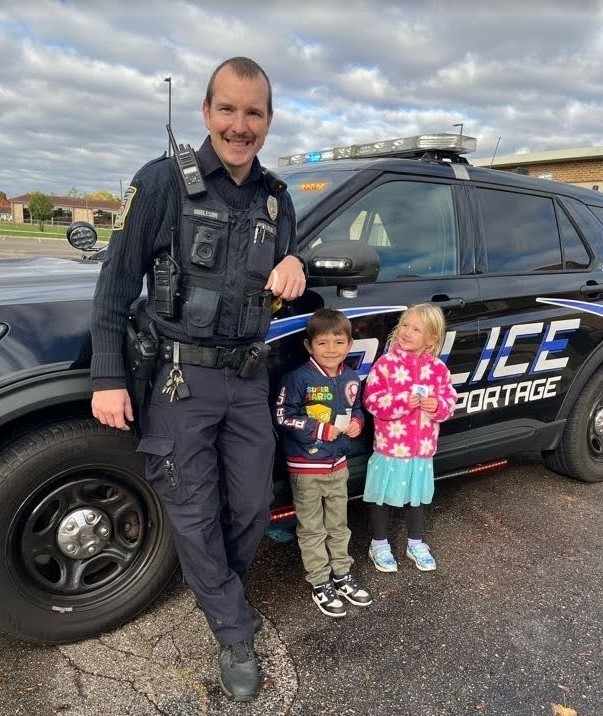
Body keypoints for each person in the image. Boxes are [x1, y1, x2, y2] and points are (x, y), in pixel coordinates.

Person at [89, 57, 306, 702]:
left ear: (268, 120)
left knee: (249, 506)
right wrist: (108, 376)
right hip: (179, 382)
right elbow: (116, 283)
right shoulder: (160, 183)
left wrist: (294, 261)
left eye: (255, 113)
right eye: (229, 110)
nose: (241, 126)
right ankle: (233, 631)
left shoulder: (277, 197)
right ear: (207, 112)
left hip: (246, 381)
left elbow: (281, 282)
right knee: (192, 508)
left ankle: (218, 590)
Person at [275, 308, 372, 617]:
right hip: (306, 468)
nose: (332, 350)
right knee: (313, 529)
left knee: (339, 525)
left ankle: (342, 575)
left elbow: (355, 408)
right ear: (309, 346)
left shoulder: (351, 376)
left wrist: (357, 423)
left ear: (349, 344)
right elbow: (282, 416)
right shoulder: (297, 377)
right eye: (323, 343)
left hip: (338, 465)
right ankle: (320, 582)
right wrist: (318, 430)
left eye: (339, 342)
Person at [362, 303, 457, 573]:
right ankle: (378, 543)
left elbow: (450, 401)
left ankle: (415, 542)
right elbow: (372, 400)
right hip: (391, 449)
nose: (407, 332)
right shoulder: (386, 365)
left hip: (421, 450)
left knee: (415, 497)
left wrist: (436, 406)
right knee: (382, 497)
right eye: (405, 325)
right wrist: (404, 401)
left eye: (416, 329)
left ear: (432, 339)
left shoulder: (438, 369)